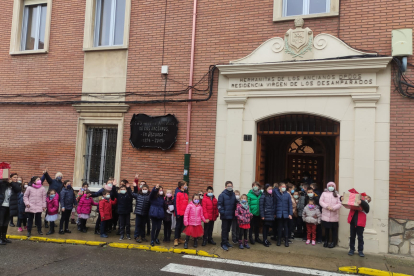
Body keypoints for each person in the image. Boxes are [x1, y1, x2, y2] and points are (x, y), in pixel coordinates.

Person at [347, 193, 371, 257]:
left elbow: (367, 208)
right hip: (353, 222)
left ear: (369, 200)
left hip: (360, 224)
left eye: (367, 197)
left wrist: (362, 201)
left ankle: (360, 250)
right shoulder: (356, 202)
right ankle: (352, 249)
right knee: (352, 236)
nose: (366, 198)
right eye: (365, 197)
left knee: (360, 237)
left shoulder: (365, 205)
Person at [0, 173, 22, 244]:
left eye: (16, 177)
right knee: (1, 222)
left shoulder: (15, 185)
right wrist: (4, 179)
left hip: (9, 207)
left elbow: (18, 189)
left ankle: (4, 238)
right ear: (10, 177)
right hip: (2, 206)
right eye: (14, 177)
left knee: (6, 223)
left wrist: (12, 183)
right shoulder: (3, 184)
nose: (16, 178)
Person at [319, 182, 341, 248]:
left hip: (334, 215)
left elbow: (340, 203)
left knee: (334, 230)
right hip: (325, 214)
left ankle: (333, 242)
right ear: (327, 186)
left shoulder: (337, 195)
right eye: (329, 186)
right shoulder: (324, 193)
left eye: (332, 186)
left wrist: (333, 208)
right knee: (326, 229)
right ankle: (326, 241)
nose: (331, 187)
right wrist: (326, 206)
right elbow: (321, 201)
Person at [217, 181, 237, 251]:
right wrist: (223, 212)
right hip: (225, 216)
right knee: (224, 230)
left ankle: (227, 241)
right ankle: (223, 243)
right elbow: (219, 205)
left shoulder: (233, 194)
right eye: (228, 186)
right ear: (225, 187)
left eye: (231, 186)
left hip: (231, 215)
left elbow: (235, 204)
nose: (230, 187)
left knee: (228, 230)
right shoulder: (222, 195)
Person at [274, 182, 293, 247]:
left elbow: (290, 205)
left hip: (286, 214)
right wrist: (274, 213)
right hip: (279, 213)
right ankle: (279, 240)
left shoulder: (287, 195)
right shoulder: (277, 194)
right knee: (279, 227)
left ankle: (286, 240)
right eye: (282, 186)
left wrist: (290, 214)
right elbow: (275, 204)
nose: (284, 188)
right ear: (279, 187)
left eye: (285, 187)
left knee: (286, 227)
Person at [174, 181, 188, 246]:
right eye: (185, 185)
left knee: (181, 226)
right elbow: (176, 204)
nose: (186, 186)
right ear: (182, 186)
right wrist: (177, 213)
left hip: (184, 213)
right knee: (178, 226)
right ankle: (176, 239)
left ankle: (179, 238)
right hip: (179, 213)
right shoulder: (178, 193)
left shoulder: (185, 194)